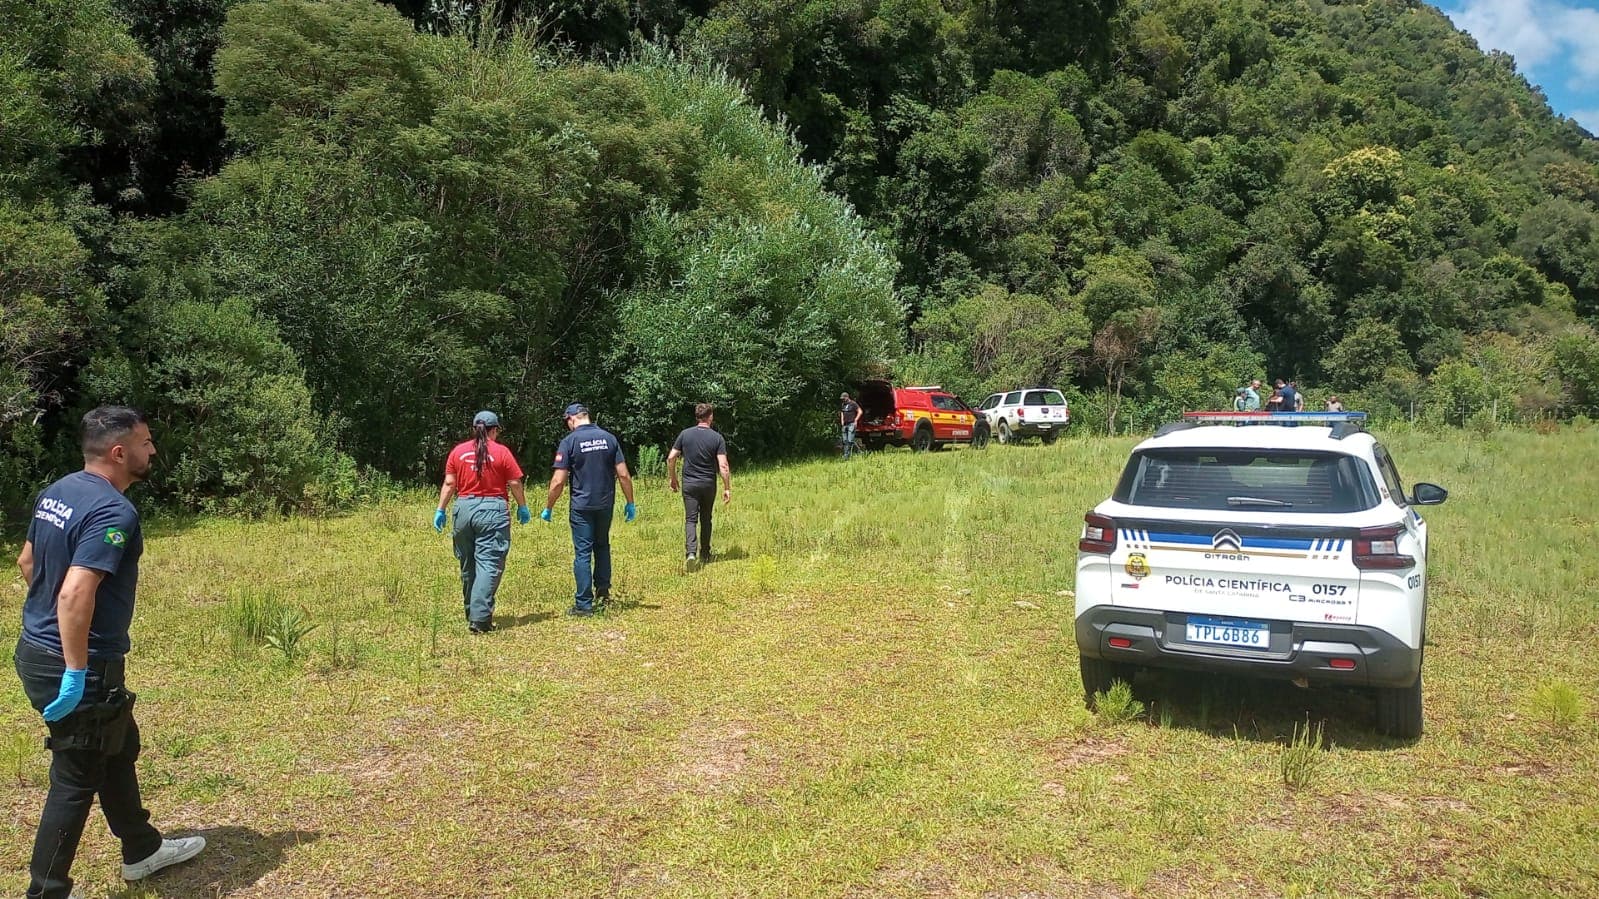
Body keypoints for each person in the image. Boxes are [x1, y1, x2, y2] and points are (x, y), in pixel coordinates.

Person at [14, 406, 206, 899]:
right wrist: (76, 666)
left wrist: (50, 629)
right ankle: (46, 891)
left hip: (34, 651)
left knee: (116, 746)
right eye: (145, 442)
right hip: (78, 664)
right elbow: (75, 592)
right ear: (119, 453)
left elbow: (28, 561)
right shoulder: (113, 510)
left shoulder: (58, 491)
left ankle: (141, 849)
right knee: (76, 775)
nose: (153, 450)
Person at [433, 410, 530, 634]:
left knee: (468, 563)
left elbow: (449, 484)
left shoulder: (458, 452)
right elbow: (514, 483)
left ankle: (472, 610)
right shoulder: (502, 452)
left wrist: (440, 510)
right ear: (494, 430)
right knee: (489, 562)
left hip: (463, 509)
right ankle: (480, 619)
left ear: (474, 429)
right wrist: (522, 507)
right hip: (492, 510)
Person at [540, 403, 636, 616]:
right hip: (605, 504)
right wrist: (630, 502)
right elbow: (623, 474)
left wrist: (549, 507)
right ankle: (603, 593)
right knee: (602, 546)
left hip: (581, 507)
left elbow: (558, 481)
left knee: (582, 552)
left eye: (567, 422)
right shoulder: (609, 438)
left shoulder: (570, 441)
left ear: (573, 419)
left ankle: (584, 604)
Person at [667, 403, 732, 572]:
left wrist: (673, 478)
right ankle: (705, 553)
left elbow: (671, 458)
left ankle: (690, 553)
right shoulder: (717, 438)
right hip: (708, 484)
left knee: (690, 519)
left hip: (689, 483)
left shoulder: (685, 434)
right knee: (706, 518)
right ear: (710, 416)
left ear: (697, 417)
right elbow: (723, 466)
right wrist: (727, 487)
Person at [839, 392, 862, 459]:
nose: (842, 400)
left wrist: (856, 420)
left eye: (843, 398)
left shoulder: (853, 404)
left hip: (851, 424)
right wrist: (842, 421)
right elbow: (842, 412)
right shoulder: (843, 404)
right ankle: (848, 454)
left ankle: (847, 455)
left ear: (847, 397)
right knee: (845, 441)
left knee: (850, 440)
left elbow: (860, 411)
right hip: (845, 425)